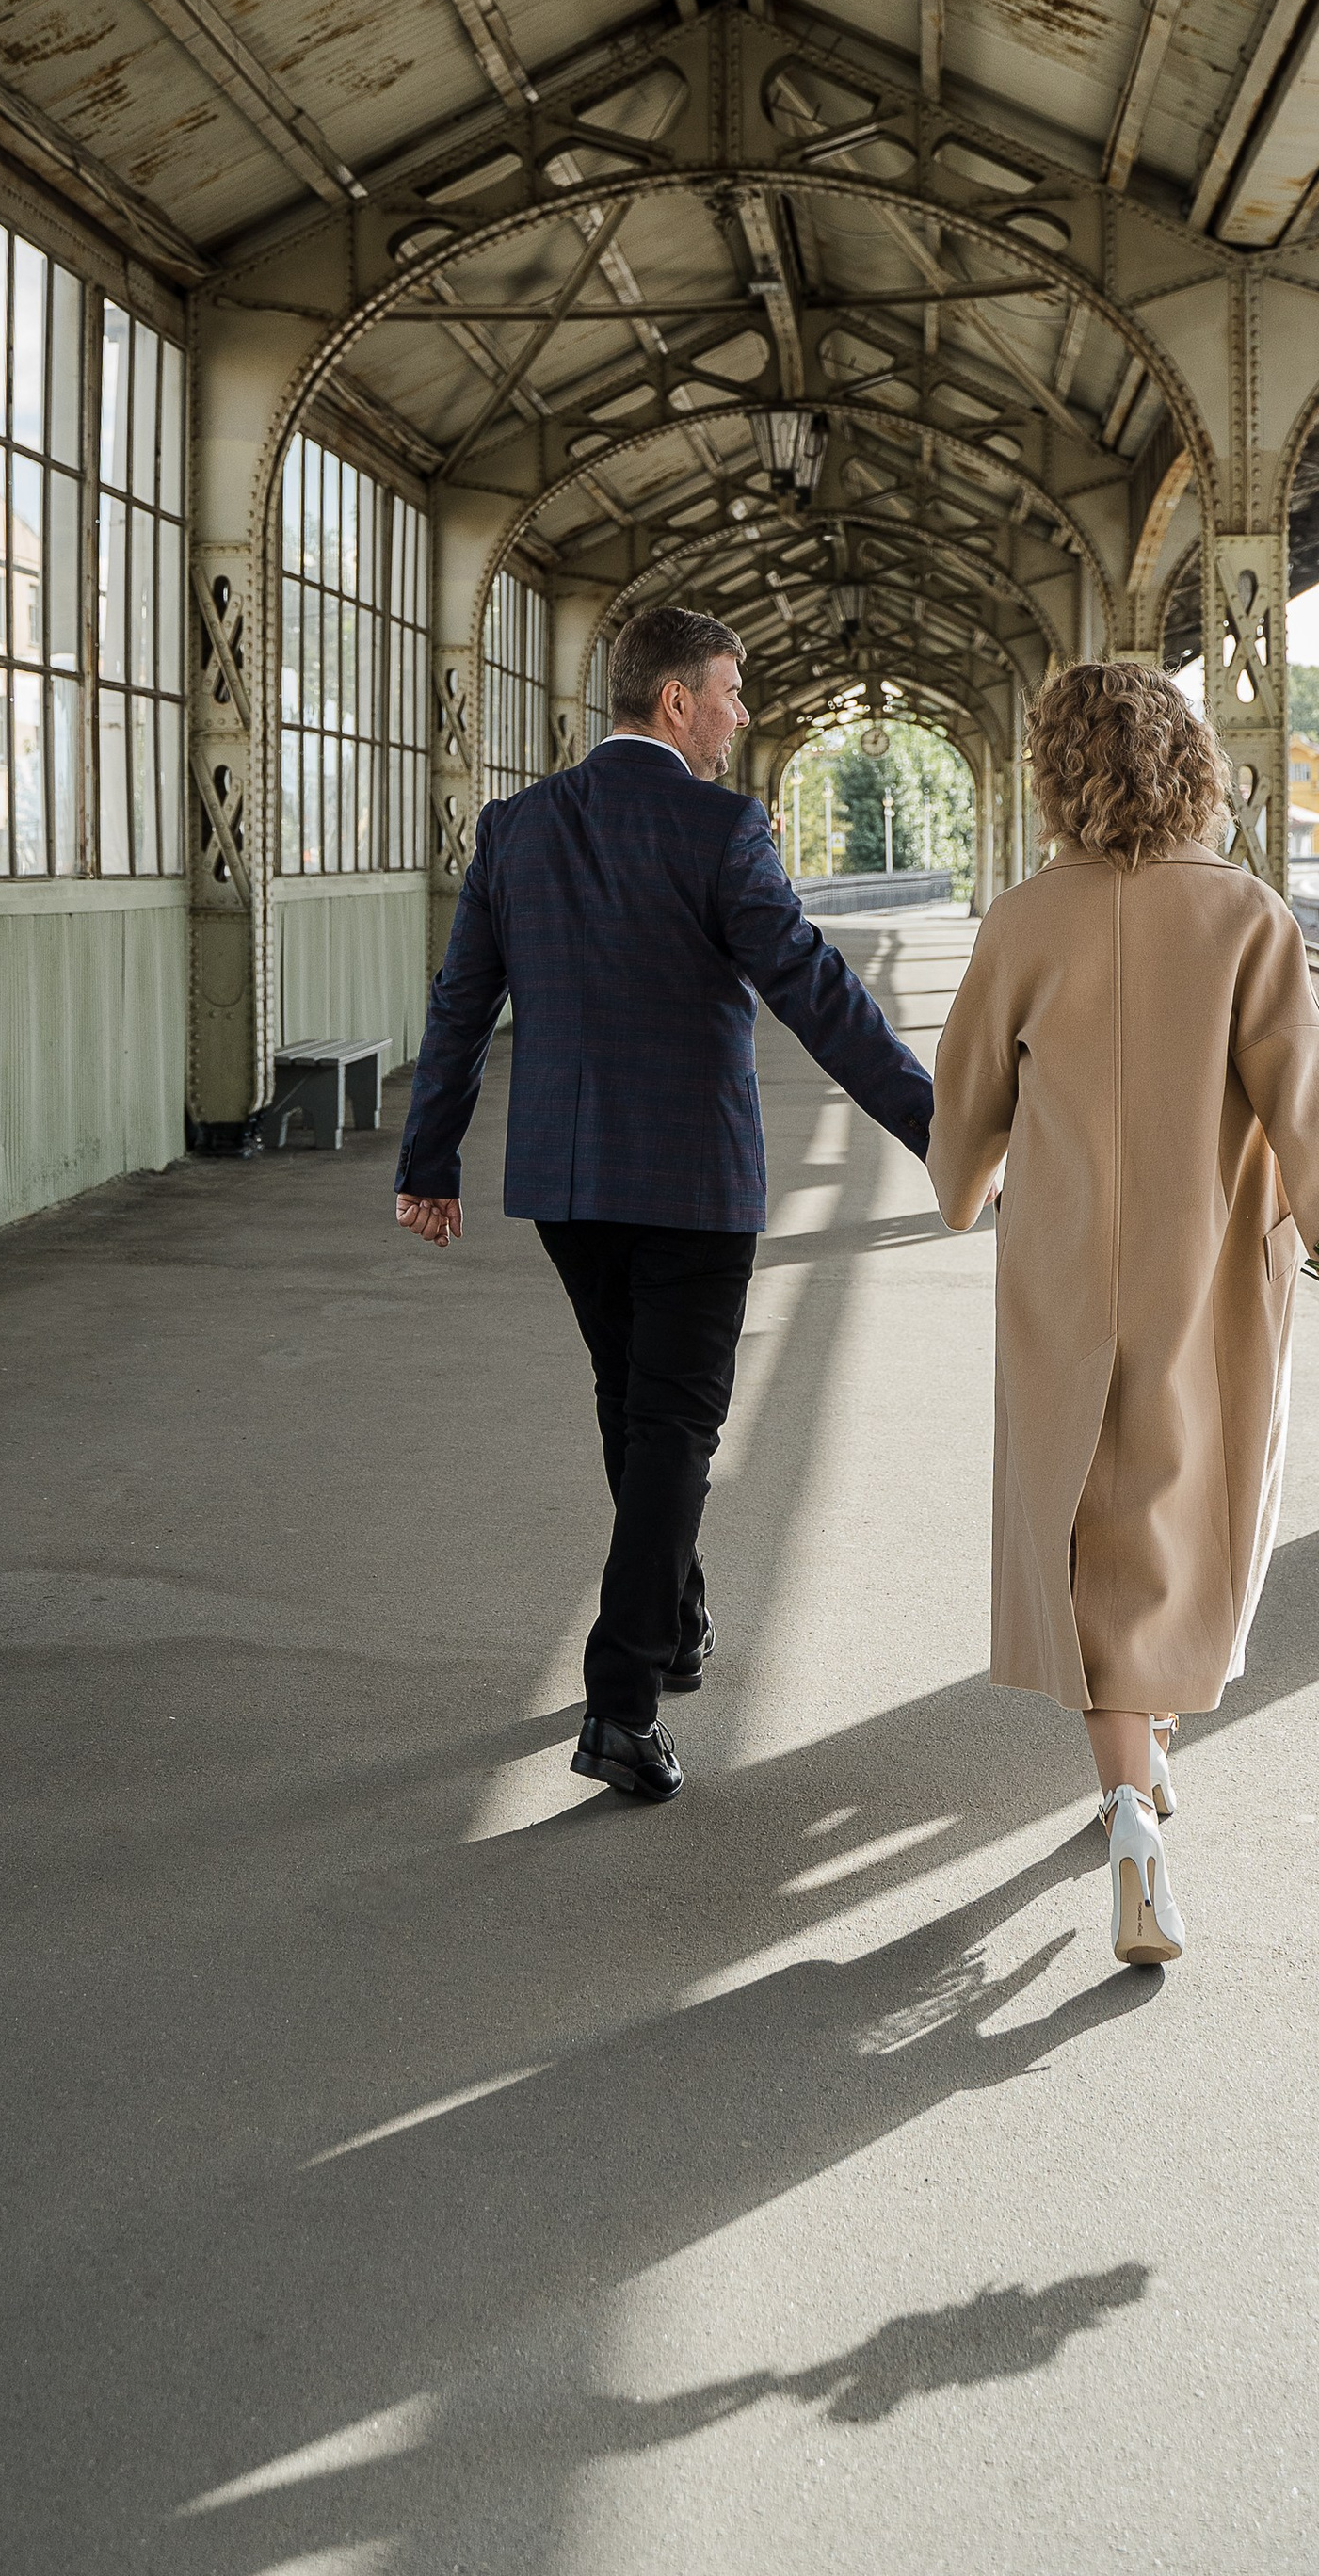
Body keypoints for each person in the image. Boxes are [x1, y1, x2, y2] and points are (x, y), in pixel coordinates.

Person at [926, 661, 1319, 1970]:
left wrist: (970, 1181)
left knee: (1085, 1531)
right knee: (1177, 1515)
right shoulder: (1248, 917)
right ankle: (1148, 1783)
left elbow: (963, 1124)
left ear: (1053, 769)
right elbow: (1312, 1121)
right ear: (1190, 763)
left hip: (1061, 1276)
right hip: (1207, 1271)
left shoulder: (1021, 922)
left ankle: (1126, 1809)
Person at [394, 606, 935, 1805]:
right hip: (690, 1183)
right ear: (676, 701)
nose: (742, 717)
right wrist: (942, 1129)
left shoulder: (517, 827)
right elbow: (811, 989)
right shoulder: (719, 826)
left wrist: (429, 1162)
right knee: (675, 1426)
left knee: (635, 1407)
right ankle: (622, 1702)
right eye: (732, 694)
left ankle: (675, 1620)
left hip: (565, 1185)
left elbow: (459, 1004)